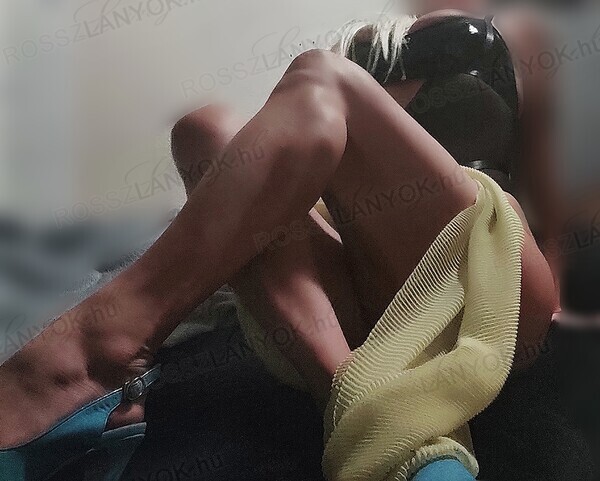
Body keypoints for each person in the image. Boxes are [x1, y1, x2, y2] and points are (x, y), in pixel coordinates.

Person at [0, 2, 560, 480]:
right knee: (207, 128)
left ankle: (93, 352)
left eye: (424, 52)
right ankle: (363, 411)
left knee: (321, 78)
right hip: (363, 300)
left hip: (489, 273)